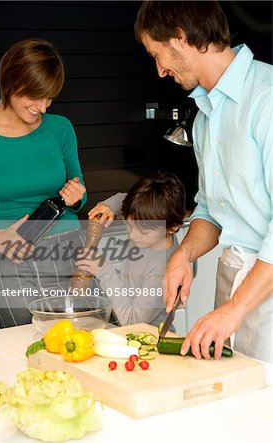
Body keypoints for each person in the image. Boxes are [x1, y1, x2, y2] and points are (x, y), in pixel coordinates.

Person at [134, 1, 272, 362]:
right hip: (233, 280)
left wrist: (235, 309)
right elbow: (211, 209)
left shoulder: (267, 98)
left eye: (156, 54)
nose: (160, 70)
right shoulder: (204, 119)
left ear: (180, 38)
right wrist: (184, 254)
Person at [0, 38, 87, 328]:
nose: (44, 107)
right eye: (36, 96)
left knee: (88, 341)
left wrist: (77, 194)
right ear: (10, 84)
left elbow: (80, 192)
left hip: (71, 253)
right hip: (15, 258)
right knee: (24, 348)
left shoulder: (60, 128)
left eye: (50, 97)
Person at [75, 172, 186, 327]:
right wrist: (108, 207)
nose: (133, 235)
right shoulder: (148, 220)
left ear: (173, 227)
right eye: (129, 225)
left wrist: (104, 271)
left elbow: (132, 321)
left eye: (144, 231)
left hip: (146, 340)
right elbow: (123, 198)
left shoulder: (162, 269)